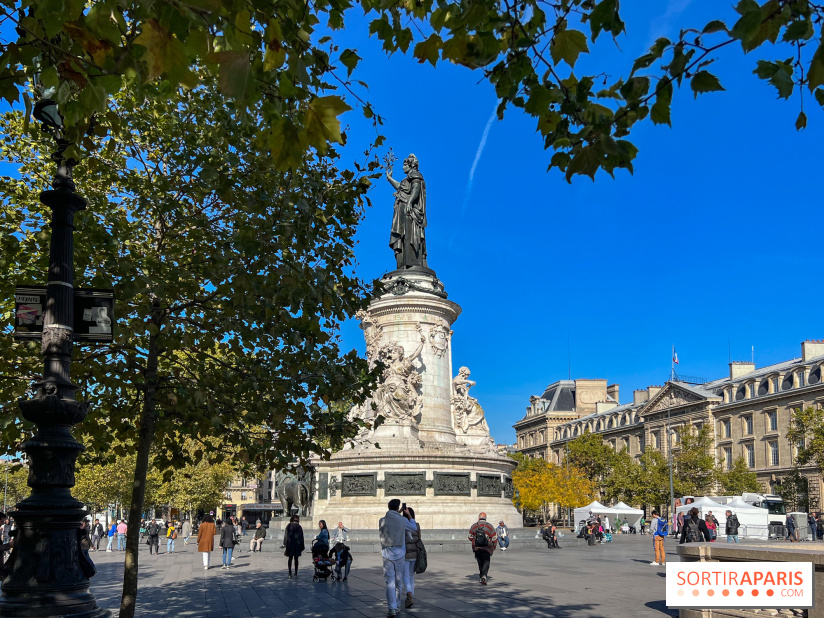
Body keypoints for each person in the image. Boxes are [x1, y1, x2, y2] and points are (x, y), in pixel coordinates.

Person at [380, 500, 418, 617]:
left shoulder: (382, 520)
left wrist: (396, 513)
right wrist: (409, 515)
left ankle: (392, 607)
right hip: (400, 554)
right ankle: (396, 604)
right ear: (398, 508)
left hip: (387, 554)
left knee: (389, 582)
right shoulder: (403, 520)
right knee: (398, 580)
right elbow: (413, 527)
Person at [468, 512, 497, 586]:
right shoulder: (490, 526)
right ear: (486, 518)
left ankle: (482, 576)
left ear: (479, 518)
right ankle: (484, 576)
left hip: (477, 548)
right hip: (486, 547)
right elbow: (494, 537)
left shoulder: (474, 526)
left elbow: (469, 536)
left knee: (480, 562)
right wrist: (494, 546)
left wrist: (475, 540)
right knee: (486, 562)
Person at [403, 506, 421, 609]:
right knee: (411, 575)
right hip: (415, 554)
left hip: (405, 554)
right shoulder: (416, 525)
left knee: (406, 576)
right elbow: (419, 539)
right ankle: (411, 595)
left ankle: (409, 594)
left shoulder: (402, 525)